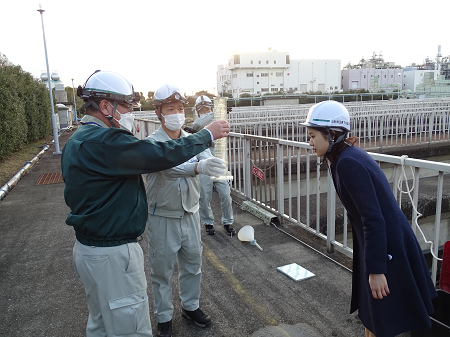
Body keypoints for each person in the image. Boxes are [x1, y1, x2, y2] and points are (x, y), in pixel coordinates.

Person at [61, 71, 229, 337]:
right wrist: (205, 138)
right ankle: (165, 318)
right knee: (131, 327)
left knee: (102, 324)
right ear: (106, 106)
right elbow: (160, 156)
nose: (130, 112)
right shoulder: (106, 141)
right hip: (114, 252)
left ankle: (190, 306)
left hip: (92, 247)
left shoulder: (79, 139)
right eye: (127, 106)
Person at [302, 100, 437, 337]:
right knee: (376, 315)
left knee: (382, 317)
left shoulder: (347, 164)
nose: (310, 142)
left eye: (313, 136)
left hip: (386, 248)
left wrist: (377, 270)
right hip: (383, 243)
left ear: (332, 134)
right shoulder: (346, 157)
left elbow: (373, 218)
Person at [144, 85, 225, 337]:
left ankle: (191, 307)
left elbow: (206, 158)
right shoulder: (151, 144)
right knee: (162, 271)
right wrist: (199, 167)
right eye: (170, 109)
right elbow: (168, 167)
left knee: (193, 265)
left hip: (189, 213)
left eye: (180, 109)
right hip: (162, 216)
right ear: (159, 113)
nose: (177, 114)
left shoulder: (192, 140)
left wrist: (214, 163)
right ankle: (164, 317)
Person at [190, 95, 236, 236]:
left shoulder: (217, 120)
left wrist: (219, 113)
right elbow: (197, 125)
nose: (205, 111)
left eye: (208, 108)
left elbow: (220, 125)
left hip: (219, 158)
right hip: (204, 162)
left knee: (225, 194)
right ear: (197, 111)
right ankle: (208, 222)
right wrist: (217, 112)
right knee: (205, 195)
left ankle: (228, 221)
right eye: (202, 109)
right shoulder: (197, 124)